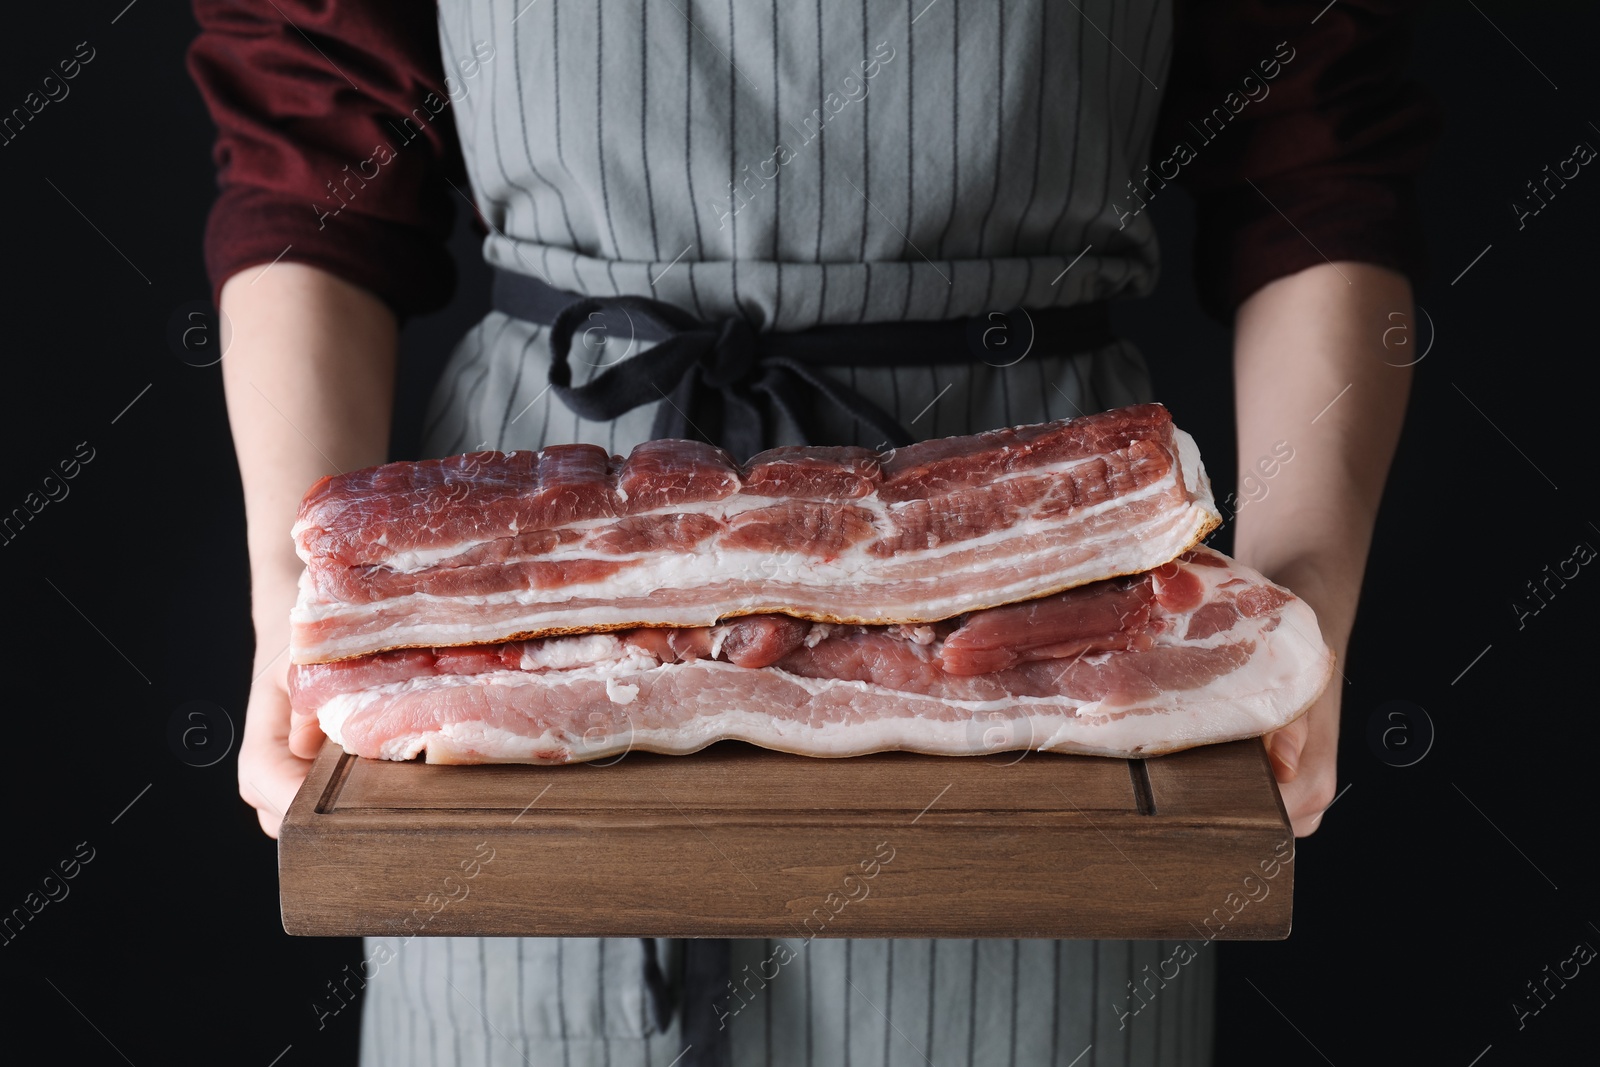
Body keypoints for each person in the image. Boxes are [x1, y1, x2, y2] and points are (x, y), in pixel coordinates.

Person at [189, 1, 1439, 1063]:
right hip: (526, 586)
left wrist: (1298, 588)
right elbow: (314, 141)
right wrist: (298, 605)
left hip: (1033, 571)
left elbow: (1309, 143)